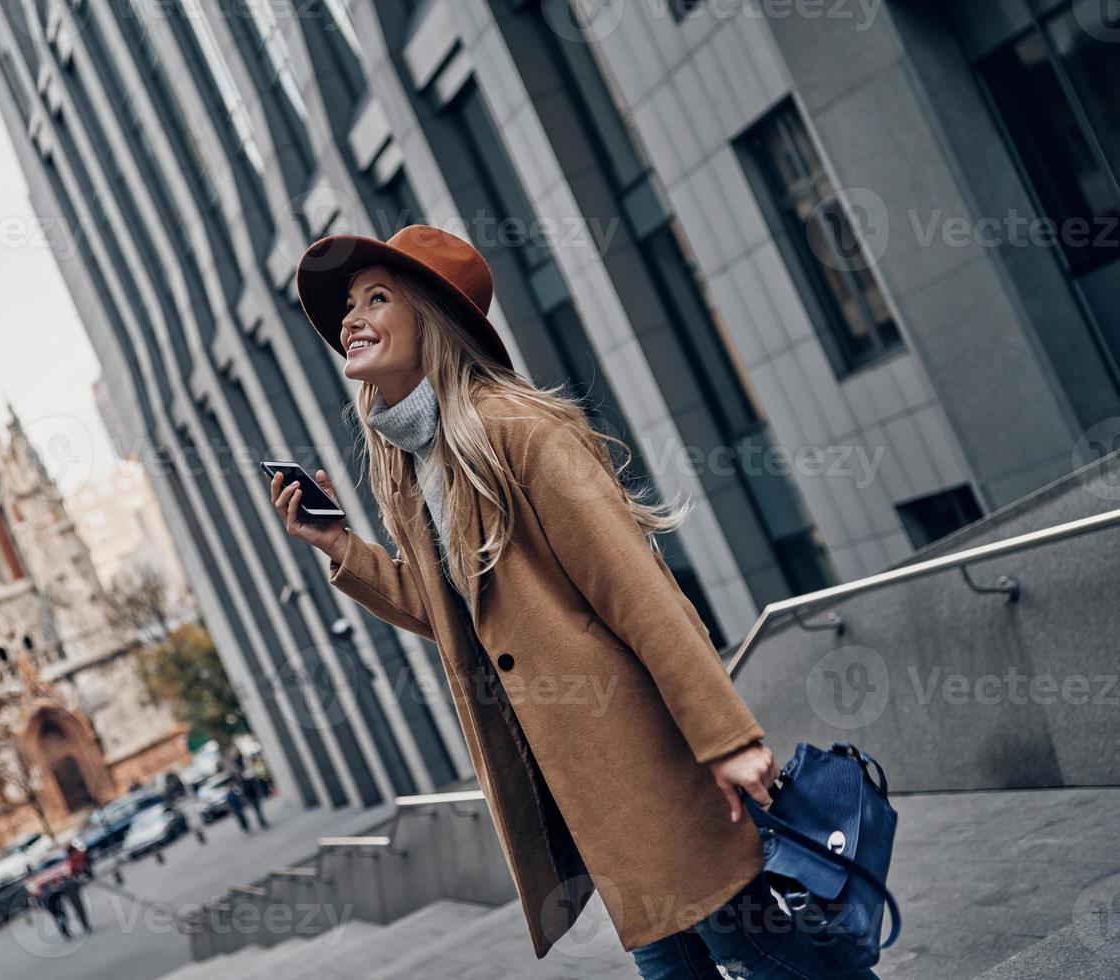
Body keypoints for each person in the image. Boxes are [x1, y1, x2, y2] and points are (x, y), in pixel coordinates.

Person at [278, 225, 876, 979]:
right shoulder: (405, 467)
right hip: (590, 801)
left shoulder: (519, 429)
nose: (349, 319)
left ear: (433, 317)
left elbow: (636, 589)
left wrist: (726, 738)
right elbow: (453, 619)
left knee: (767, 953)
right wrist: (339, 548)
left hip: (647, 768)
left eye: (376, 298)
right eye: (347, 307)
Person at [238, 761, 270, 829]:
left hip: (254, 798)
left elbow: (255, 787)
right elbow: (245, 793)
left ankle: (262, 822)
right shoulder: (243, 784)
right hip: (252, 799)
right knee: (258, 811)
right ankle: (262, 822)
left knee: (258, 811)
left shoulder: (247, 782)